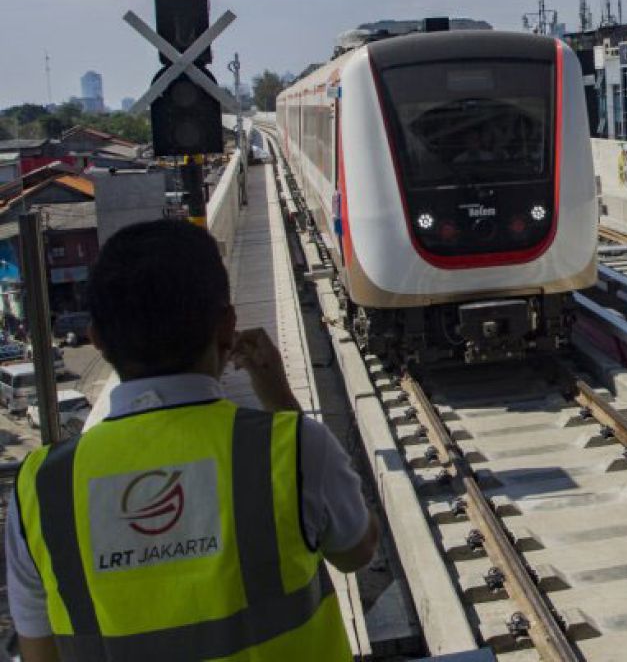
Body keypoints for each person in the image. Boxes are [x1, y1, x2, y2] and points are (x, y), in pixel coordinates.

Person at [6, 220, 379, 661]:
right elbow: (357, 551)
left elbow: (39, 652)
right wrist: (279, 398)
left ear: (98, 341)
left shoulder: (42, 488)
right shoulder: (292, 449)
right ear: (228, 326)